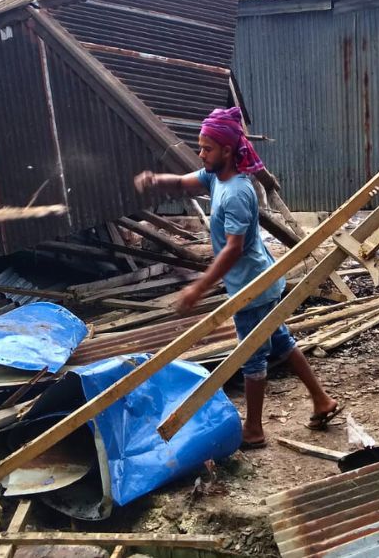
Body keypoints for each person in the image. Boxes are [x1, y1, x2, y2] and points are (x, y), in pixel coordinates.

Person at [133, 107, 341, 449]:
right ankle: (321, 400)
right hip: (256, 280)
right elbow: (185, 182)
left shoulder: (237, 192)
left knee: (252, 356)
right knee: (281, 340)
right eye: (200, 147)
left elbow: (233, 249)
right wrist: (156, 180)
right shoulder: (215, 177)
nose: (201, 154)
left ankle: (254, 430)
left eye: (207, 148)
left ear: (228, 151)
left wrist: (199, 288)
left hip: (252, 288)